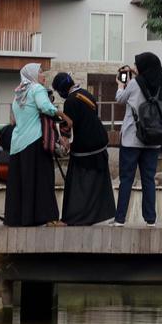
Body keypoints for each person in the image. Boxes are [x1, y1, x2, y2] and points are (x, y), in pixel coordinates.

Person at [53, 73, 117, 226]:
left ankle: (75, 217)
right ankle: (100, 215)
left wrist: (62, 140)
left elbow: (69, 126)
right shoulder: (86, 94)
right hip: (100, 142)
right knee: (97, 184)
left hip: (85, 147)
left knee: (78, 185)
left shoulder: (70, 101)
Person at [3, 63, 61, 227]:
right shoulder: (37, 89)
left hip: (17, 143)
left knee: (19, 182)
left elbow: (13, 119)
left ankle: (18, 218)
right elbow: (45, 107)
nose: (43, 75)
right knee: (42, 179)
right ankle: (45, 216)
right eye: (41, 72)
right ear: (33, 75)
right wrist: (63, 116)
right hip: (34, 140)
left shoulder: (18, 93)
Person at [112, 52, 162, 226]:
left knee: (126, 178)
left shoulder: (134, 83)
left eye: (136, 64)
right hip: (153, 138)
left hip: (132, 138)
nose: (135, 67)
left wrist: (120, 85)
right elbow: (145, 85)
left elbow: (120, 99)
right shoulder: (158, 84)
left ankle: (120, 219)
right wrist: (133, 74)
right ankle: (150, 219)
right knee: (148, 179)